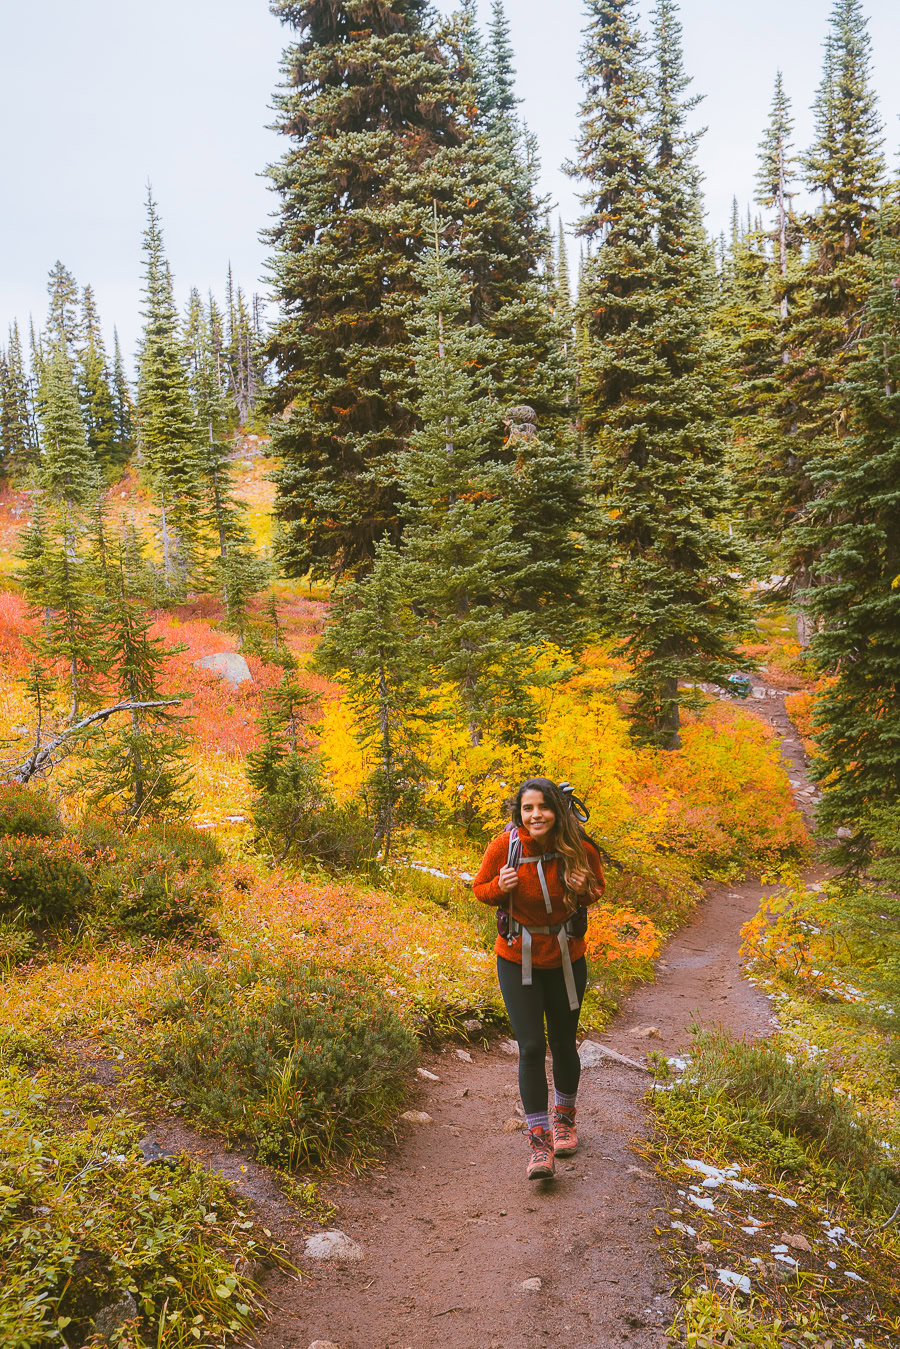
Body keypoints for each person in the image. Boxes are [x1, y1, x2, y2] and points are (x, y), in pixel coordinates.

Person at [473, 777, 604, 1180]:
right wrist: (500, 886)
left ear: (557, 810)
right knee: (531, 1047)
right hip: (517, 958)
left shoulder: (578, 849)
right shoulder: (505, 847)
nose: (535, 815)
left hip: (566, 957)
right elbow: (479, 888)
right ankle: (539, 1143)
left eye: (543, 807)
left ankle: (565, 1120)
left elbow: (598, 888)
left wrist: (584, 891)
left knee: (564, 1043)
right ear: (519, 812)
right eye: (528, 808)